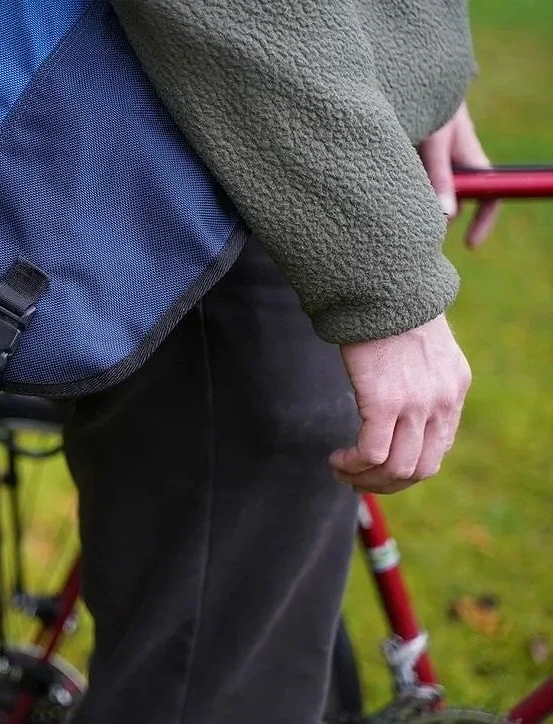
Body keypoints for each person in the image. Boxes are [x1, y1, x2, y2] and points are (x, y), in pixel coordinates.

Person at [62, 1, 499, 722]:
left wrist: (421, 78)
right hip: (231, 175)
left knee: (255, 651)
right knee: (218, 688)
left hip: (281, 141)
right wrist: (385, 288)